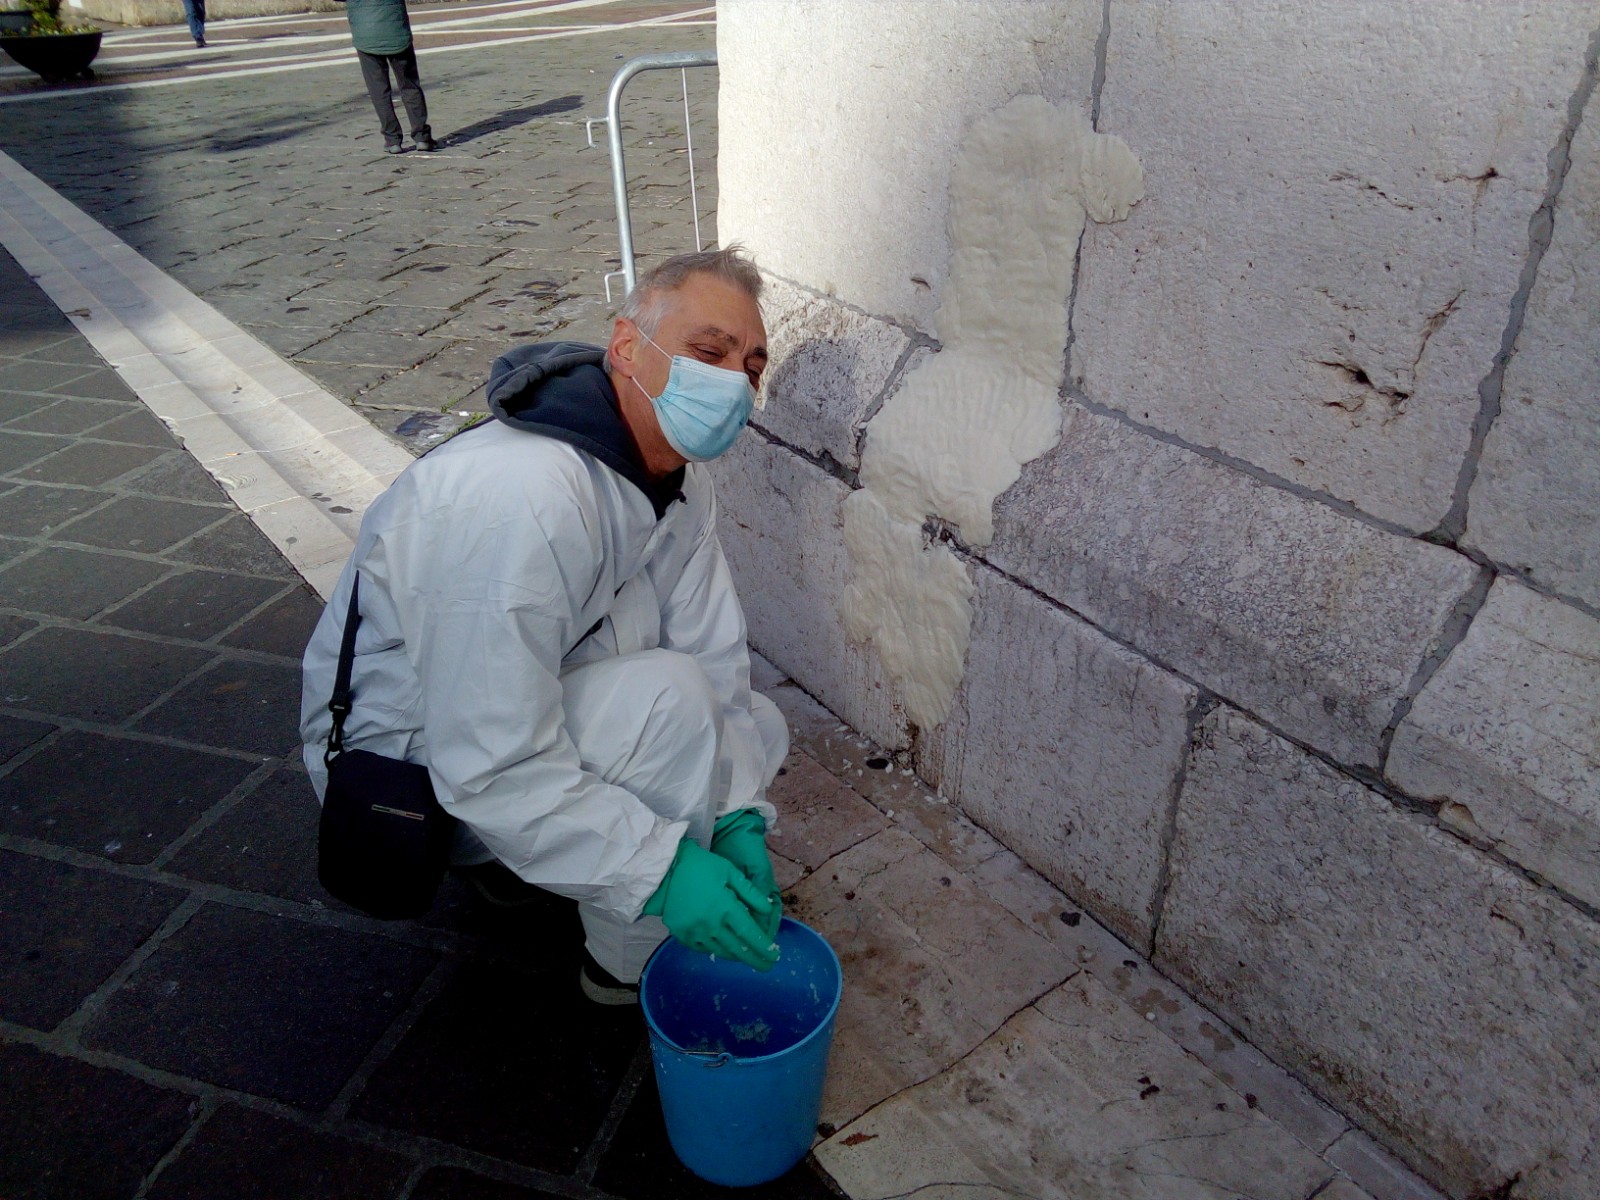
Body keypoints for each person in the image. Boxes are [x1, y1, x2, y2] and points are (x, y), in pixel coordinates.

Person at [300, 247, 787, 1005]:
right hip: (410, 770)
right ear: (627, 348)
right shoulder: (521, 494)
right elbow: (487, 760)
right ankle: (631, 970)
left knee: (751, 722)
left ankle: (528, 863)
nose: (733, 383)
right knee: (670, 704)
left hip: (503, 717)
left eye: (750, 367)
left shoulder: (677, 487)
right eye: (708, 352)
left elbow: (715, 655)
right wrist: (662, 871)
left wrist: (735, 820)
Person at [337, 0, 436, 154]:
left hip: (366, 33)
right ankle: (421, 137)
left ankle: (392, 140)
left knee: (378, 91)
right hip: (396, 30)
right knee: (410, 85)